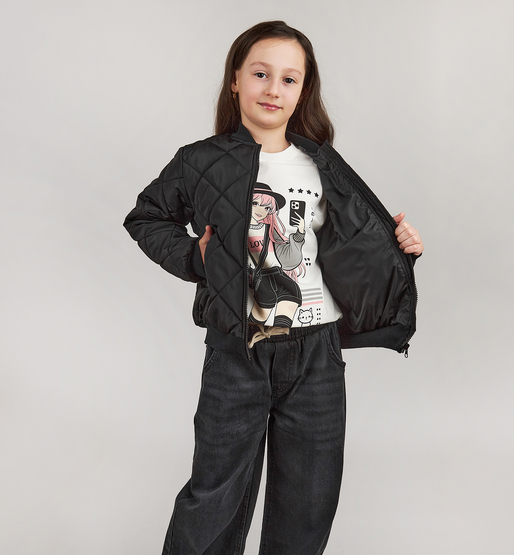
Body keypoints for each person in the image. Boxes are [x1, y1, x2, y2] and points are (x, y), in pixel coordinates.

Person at [124, 20, 423, 555]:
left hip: (317, 355)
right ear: (235, 80)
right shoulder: (200, 160)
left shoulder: (321, 162)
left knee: (308, 502)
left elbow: (351, 245)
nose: (273, 89)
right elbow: (146, 218)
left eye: (289, 79)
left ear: (303, 91)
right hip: (236, 353)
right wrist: (195, 257)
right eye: (260, 74)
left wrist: (400, 248)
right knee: (213, 497)